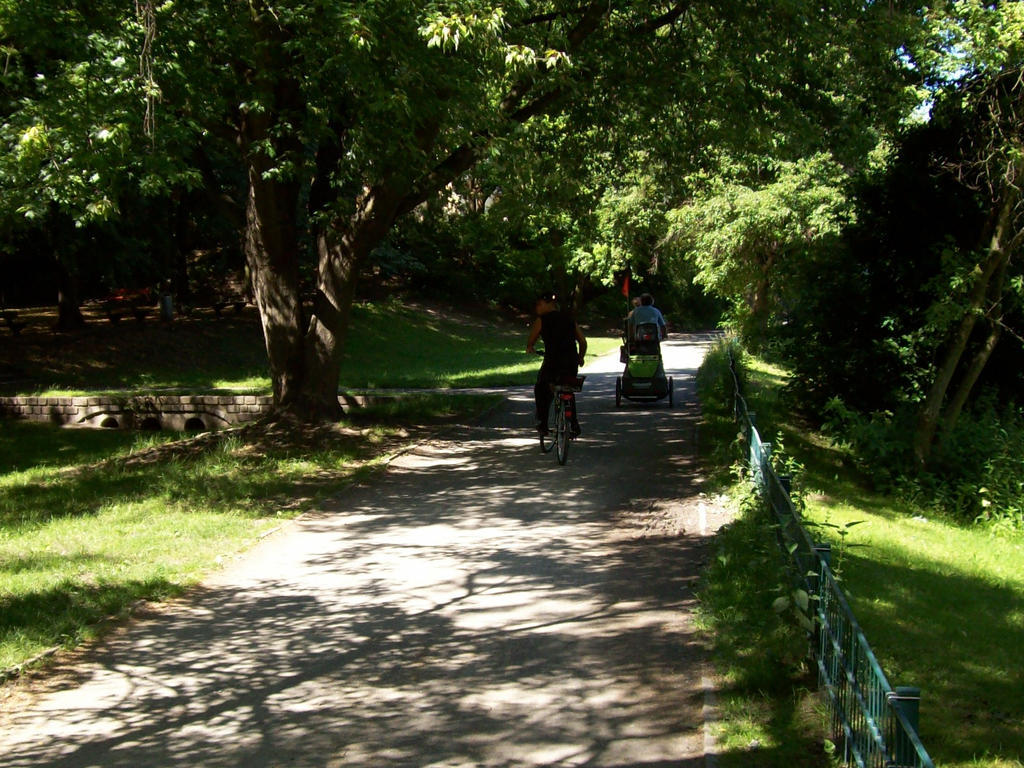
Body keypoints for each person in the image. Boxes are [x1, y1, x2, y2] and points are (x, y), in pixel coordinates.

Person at [526, 293, 587, 436]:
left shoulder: (542, 320)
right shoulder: (570, 320)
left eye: (539, 304)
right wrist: (580, 357)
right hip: (571, 362)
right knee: (568, 388)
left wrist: (530, 348)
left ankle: (542, 423)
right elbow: (583, 342)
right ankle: (574, 424)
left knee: (541, 389)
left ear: (550, 304)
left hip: (552, 362)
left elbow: (531, 341)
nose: (537, 308)